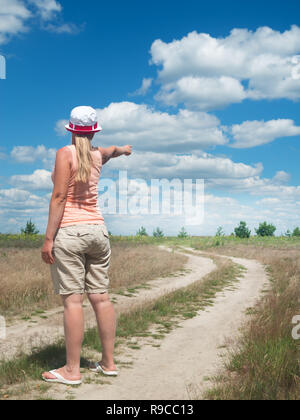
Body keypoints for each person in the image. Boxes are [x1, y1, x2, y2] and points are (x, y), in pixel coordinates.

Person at [41, 106, 132, 385]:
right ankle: (108, 362)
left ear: (71, 130)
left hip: (70, 232)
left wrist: (48, 239)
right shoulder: (98, 155)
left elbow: (58, 197)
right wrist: (125, 149)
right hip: (98, 232)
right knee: (101, 298)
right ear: (93, 131)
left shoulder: (65, 154)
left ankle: (72, 370)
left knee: (73, 302)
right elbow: (112, 150)